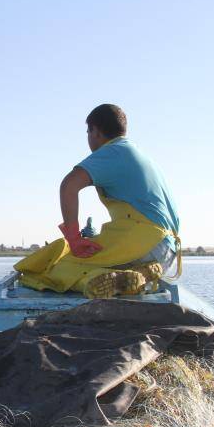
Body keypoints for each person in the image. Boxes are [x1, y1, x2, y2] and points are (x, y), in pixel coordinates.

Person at [14, 104, 182, 298]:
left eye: (88, 131)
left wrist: (74, 239)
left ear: (95, 131)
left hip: (145, 245)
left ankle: (106, 278)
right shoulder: (137, 153)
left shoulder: (113, 152)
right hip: (167, 252)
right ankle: (143, 274)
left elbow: (68, 186)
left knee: (55, 267)